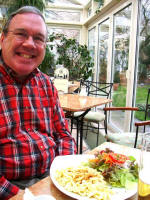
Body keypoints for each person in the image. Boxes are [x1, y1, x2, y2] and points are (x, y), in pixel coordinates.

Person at [0, 6, 77, 199]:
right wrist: (18, 196)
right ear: (2, 39)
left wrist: (66, 173)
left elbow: (63, 135)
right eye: (21, 34)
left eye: (38, 39)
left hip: (53, 178)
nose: (30, 44)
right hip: (10, 188)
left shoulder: (45, 84)